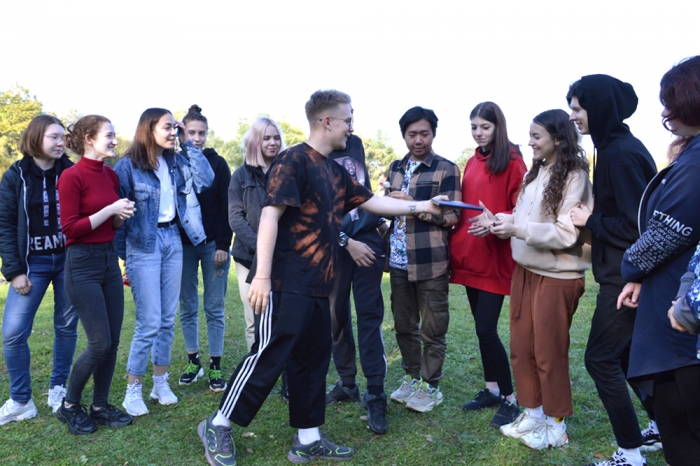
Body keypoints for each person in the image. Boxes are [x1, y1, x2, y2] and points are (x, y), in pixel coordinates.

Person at [197, 90, 448, 466]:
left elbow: (372, 201)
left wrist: (422, 205)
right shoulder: (293, 160)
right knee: (268, 354)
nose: (351, 127)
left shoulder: (334, 171)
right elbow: (270, 216)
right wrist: (261, 275)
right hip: (286, 281)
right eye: (348, 119)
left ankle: (308, 438)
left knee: (313, 359)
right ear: (327, 121)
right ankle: (217, 423)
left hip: (320, 283)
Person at [567, 75, 658, 466]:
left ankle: (630, 452)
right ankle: (661, 425)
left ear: (599, 107)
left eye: (577, 108)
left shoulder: (620, 155)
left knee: (600, 359)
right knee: (626, 358)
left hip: (626, 278)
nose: (572, 116)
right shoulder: (612, 147)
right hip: (624, 273)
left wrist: (590, 220)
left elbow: (640, 226)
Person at [488, 109, 592, 449]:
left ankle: (556, 425)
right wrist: (503, 221)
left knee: (549, 352)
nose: (530, 142)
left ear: (558, 139)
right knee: (521, 348)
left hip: (559, 275)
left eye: (536, 136)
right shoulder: (536, 171)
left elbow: (566, 233)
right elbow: (524, 217)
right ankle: (533, 413)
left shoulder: (575, 176)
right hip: (526, 270)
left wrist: (517, 228)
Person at [618, 55, 700, 466]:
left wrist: (631, 266)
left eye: (672, 102)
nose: (666, 113)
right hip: (673, 298)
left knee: (683, 433)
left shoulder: (697, 162)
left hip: (683, 325)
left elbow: (669, 230)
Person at [115, 108, 213, 417]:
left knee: (168, 318)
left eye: (175, 127)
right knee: (149, 321)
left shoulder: (177, 161)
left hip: (173, 239)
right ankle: (132, 390)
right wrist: (126, 255)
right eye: (168, 127)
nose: (173, 132)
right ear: (149, 130)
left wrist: (187, 143)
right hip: (142, 243)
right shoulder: (127, 166)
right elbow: (118, 212)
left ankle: (160, 383)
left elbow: (206, 179)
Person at [55, 115, 135, 434]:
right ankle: (69, 406)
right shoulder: (71, 177)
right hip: (81, 264)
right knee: (99, 342)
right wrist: (110, 210)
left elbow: (111, 225)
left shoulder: (110, 175)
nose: (115, 140)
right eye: (109, 135)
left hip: (108, 260)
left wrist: (121, 215)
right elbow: (70, 229)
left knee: (112, 341)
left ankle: (100, 406)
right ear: (89, 139)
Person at [450, 102, 526, 427]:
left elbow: (521, 209)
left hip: (495, 258)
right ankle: (492, 389)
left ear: (498, 127)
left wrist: (494, 221)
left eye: (485, 127)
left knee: (485, 329)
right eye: (474, 127)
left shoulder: (513, 161)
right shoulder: (471, 161)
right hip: (469, 256)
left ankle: (510, 398)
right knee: (481, 331)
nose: (478, 133)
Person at [0, 115, 79, 424]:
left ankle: (58, 389)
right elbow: (5, 226)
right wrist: (15, 271)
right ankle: (21, 400)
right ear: (35, 138)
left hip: (68, 261)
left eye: (63, 137)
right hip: (32, 264)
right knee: (13, 333)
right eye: (53, 137)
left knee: (66, 327)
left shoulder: (72, 172)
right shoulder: (15, 176)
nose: (61, 143)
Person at [386, 106, 461, 413]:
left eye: (424, 134)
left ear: (433, 134)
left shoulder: (446, 169)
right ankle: (412, 377)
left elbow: (453, 216)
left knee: (433, 329)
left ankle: (430, 386)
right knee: (404, 326)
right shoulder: (395, 167)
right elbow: (388, 210)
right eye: (411, 134)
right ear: (404, 135)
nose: (418, 140)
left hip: (431, 261)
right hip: (397, 260)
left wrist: (415, 204)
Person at [325, 134, 389, 435]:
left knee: (369, 318)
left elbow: (365, 192)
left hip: (367, 247)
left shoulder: (357, 144)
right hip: (334, 248)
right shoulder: (318, 151)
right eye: (345, 117)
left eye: (352, 116)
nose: (350, 123)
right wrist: (345, 241)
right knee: (335, 317)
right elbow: (317, 209)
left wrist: (379, 227)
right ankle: (347, 383)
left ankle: (375, 393)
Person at [177, 105, 233, 393]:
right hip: (182, 246)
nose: (196, 138)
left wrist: (223, 244)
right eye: (191, 133)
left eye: (201, 133)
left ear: (207, 134)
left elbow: (227, 206)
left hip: (213, 245)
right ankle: (193, 361)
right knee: (187, 305)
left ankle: (215, 364)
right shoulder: (172, 162)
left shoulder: (218, 163)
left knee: (214, 306)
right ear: (181, 133)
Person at [228, 117, 285, 353]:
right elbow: (235, 218)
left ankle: (281, 367)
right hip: (247, 257)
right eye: (266, 138)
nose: (273, 143)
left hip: (284, 257)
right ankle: (257, 365)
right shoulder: (240, 176)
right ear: (255, 142)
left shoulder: (287, 173)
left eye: (276, 138)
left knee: (281, 317)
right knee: (254, 317)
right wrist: (263, 248)